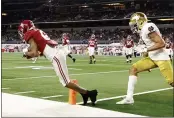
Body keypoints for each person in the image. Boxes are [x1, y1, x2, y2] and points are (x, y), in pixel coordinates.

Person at [18, 20, 98, 106]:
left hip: (56, 56)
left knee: (66, 82)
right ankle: (85, 94)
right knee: (65, 82)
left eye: (22, 30)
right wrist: (30, 55)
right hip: (57, 54)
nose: (21, 33)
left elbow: (34, 53)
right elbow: (38, 53)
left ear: (25, 28)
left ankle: (89, 93)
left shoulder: (29, 34)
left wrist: (26, 53)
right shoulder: (37, 31)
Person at [116, 12, 173, 105]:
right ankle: (129, 98)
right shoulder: (143, 31)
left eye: (135, 25)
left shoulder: (148, 27)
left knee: (172, 82)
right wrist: (145, 58)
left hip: (161, 57)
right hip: (152, 57)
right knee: (133, 69)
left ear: (140, 22)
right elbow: (148, 47)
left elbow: (161, 43)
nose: (133, 27)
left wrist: (146, 49)